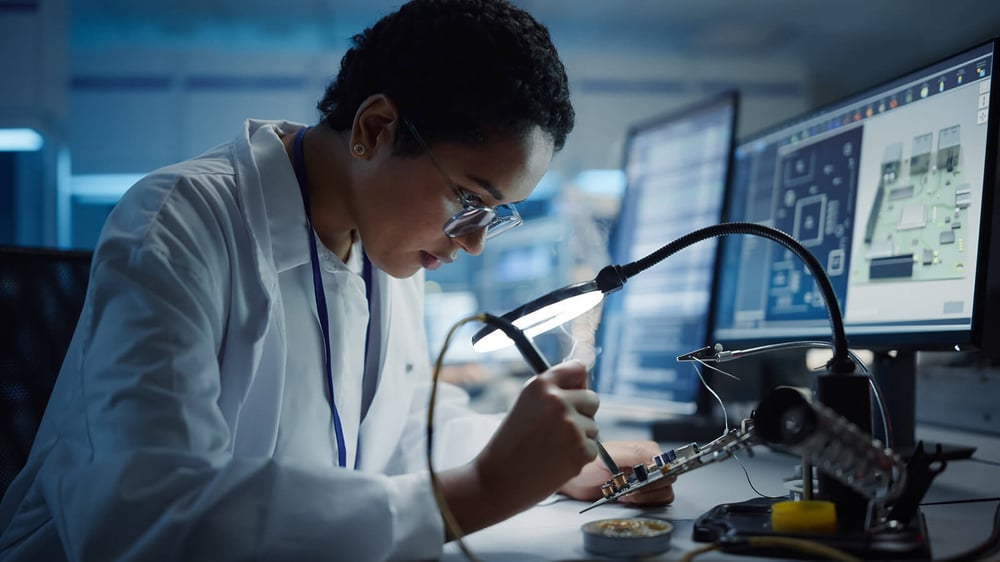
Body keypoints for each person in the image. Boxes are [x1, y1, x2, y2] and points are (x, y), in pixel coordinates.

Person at [0, 0, 675, 560]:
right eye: (468, 200)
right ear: (375, 129)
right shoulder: (180, 223)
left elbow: (401, 439)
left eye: (493, 217)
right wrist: (482, 489)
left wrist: (550, 463)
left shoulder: (381, 245)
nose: (471, 242)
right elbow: (147, 517)